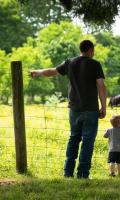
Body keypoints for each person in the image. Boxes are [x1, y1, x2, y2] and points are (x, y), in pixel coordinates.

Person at [31, 40, 107, 179]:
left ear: (81, 49)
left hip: (74, 109)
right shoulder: (95, 64)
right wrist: (104, 106)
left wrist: (38, 72)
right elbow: (101, 85)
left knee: (74, 138)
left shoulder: (70, 63)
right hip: (90, 109)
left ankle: (68, 172)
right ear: (90, 50)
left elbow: (51, 72)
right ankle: (83, 174)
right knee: (88, 141)